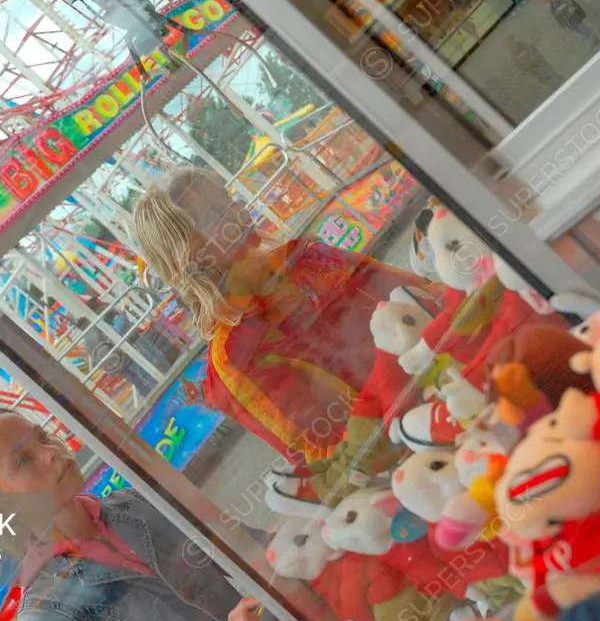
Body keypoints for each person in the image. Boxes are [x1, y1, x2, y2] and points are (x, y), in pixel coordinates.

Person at [132, 167, 443, 468]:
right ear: (187, 255)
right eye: (215, 215)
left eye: (228, 199)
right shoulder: (235, 356)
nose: (237, 213)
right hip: (413, 449)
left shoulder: (304, 256)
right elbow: (329, 453)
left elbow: (413, 291)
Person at [0, 406, 260, 621]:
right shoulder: (47, 617)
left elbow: (252, 549)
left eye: (42, 436)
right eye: (23, 461)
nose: (51, 451)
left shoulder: (136, 502)